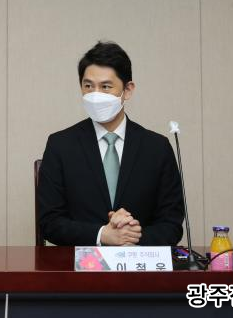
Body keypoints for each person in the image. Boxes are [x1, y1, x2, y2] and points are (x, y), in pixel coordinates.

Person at [37, 41, 184, 246]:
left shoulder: (157, 148)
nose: (95, 95)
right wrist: (101, 234)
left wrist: (131, 237)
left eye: (105, 87)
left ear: (128, 90)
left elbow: (172, 223)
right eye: (88, 86)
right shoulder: (60, 145)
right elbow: (50, 222)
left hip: (140, 263)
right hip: (80, 263)